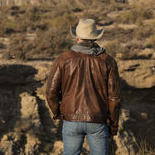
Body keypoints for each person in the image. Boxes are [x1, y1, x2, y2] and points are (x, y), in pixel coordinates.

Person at [46, 18, 121, 155]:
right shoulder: (108, 61)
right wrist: (113, 125)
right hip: (98, 120)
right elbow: (114, 97)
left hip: (71, 119)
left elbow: (51, 92)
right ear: (94, 39)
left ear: (77, 38)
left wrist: (58, 113)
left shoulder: (63, 59)